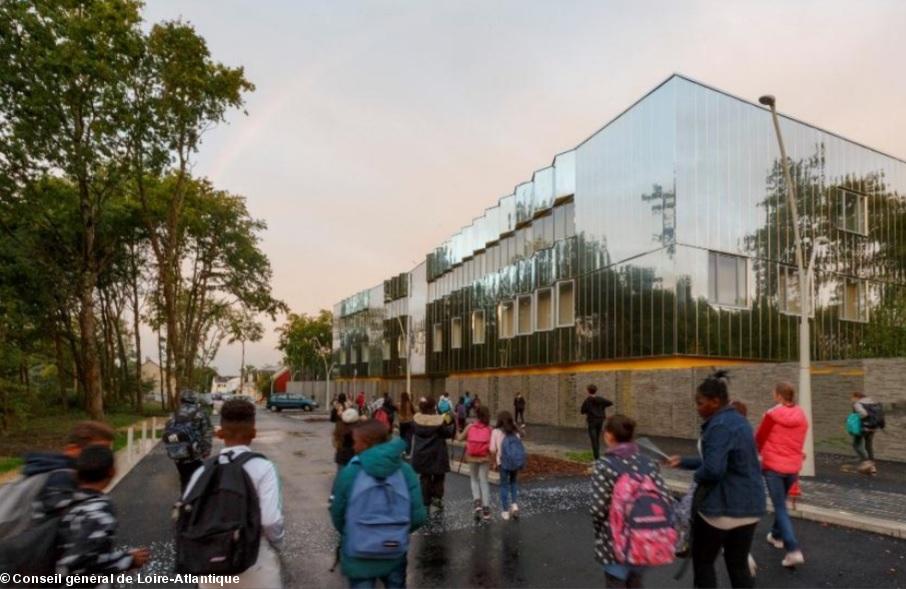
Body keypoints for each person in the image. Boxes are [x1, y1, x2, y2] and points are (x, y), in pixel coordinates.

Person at [667, 370, 766, 589]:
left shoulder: (718, 425)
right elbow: (727, 461)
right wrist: (684, 461)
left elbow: (713, 470)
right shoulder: (739, 421)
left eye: (700, 402)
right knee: (738, 564)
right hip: (750, 506)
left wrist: (697, 475)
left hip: (722, 508)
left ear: (715, 401)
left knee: (703, 562)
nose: (697, 407)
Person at [183, 398, 284, 589]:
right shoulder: (264, 467)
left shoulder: (202, 470)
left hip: (211, 567)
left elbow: (187, 516)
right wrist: (276, 544)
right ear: (254, 433)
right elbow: (270, 520)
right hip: (255, 564)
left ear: (220, 433)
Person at [330, 420, 427, 588]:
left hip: (359, 554)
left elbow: (338, 514)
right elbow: (418, 516)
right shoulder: (405, 471)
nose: (353, 446)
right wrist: (395, 531)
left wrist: (356, 531)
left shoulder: (351, 471)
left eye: (356, 442)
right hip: (394, 550)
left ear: (366, 443)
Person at [592, 415, 674, 588]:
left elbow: (598, 509)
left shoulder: (604, 465)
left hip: (615, 541)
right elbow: (665, 499)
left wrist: (601, 531)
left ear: (608, 436)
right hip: (643, 539)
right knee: (635, 583)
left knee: (616, 582)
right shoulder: (648, 462)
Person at [55, 445, 151, 580]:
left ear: (77, 473)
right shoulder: (98, 511)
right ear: (112, 472)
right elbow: (80, 564)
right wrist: (128, 560)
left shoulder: (66, 502)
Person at [755, 382, 808, 568]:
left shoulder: (771, 415)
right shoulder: (802, 415)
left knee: (780, 507)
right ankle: (776, 536)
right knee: (782, 503)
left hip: (773, 467)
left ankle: (793, 549)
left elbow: (759, 440)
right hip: (793, 467)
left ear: (778, 396)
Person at [410, 397, 456, 513]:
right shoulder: (439, 421)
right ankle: (437, 500)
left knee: (424, 477)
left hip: (421, 455)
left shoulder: (415, 420)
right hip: (437, 455)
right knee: (439, 477)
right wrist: (451, 422)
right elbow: (448, 433)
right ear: (433, 407)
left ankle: (425, 501)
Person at [165, 390, 213, 491]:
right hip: (194, 452)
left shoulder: (174, 413)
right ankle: (194, 502)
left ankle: (184, 499)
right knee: (197, 479)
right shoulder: (200, 413)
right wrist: (206, 450)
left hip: (177, 452)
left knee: (184, 478)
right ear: (195, 399)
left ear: (182, 399)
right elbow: (207, 432)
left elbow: (168, 430)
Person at [457, 405, 493, 521]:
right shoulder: (489, 429)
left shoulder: (470, 427)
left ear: (476, 415)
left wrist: (457, 429)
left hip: (472, 457)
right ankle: (486, 509)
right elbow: (492, 446)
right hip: (484, 457)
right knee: (484, 481)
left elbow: (460, 438)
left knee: (473, 479)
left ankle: (477, 505)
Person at [490, 411, 524, 521]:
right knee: (513, 482)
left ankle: (505, 511)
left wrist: (494, 462)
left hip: (502, 463)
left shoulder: (495, 432)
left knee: (504, 485)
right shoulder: (515, 432)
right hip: (514, 463)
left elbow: (492, 449)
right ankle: (514, 505)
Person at [852, 391, 884, 474]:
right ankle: (872, 467)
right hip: (873, 428)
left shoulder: (858, 404)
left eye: (853, 397)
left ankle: (866, 462)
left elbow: (863, 414)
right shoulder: (873, 402)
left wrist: (855, 417)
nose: (852, 399)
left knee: (856, 445)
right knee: (868, 445)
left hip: (863, 428)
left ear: (856, 397)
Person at [581, 384, 614, 461]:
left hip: (592, 421)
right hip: (600, 420)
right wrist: (602, 407)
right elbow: (610, 403)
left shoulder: (587, 400)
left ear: (588, 391)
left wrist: (589, 411)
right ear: (596, 390)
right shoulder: (600, 399)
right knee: (597, 438)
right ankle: (597, 455)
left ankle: (596, 457)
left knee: (594, 439)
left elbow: (582, 411)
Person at [334, 408, 362, 473]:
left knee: (342, 477)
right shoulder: (357, 430)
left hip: (341, 457)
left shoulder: (339, 426)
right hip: (353, 457)